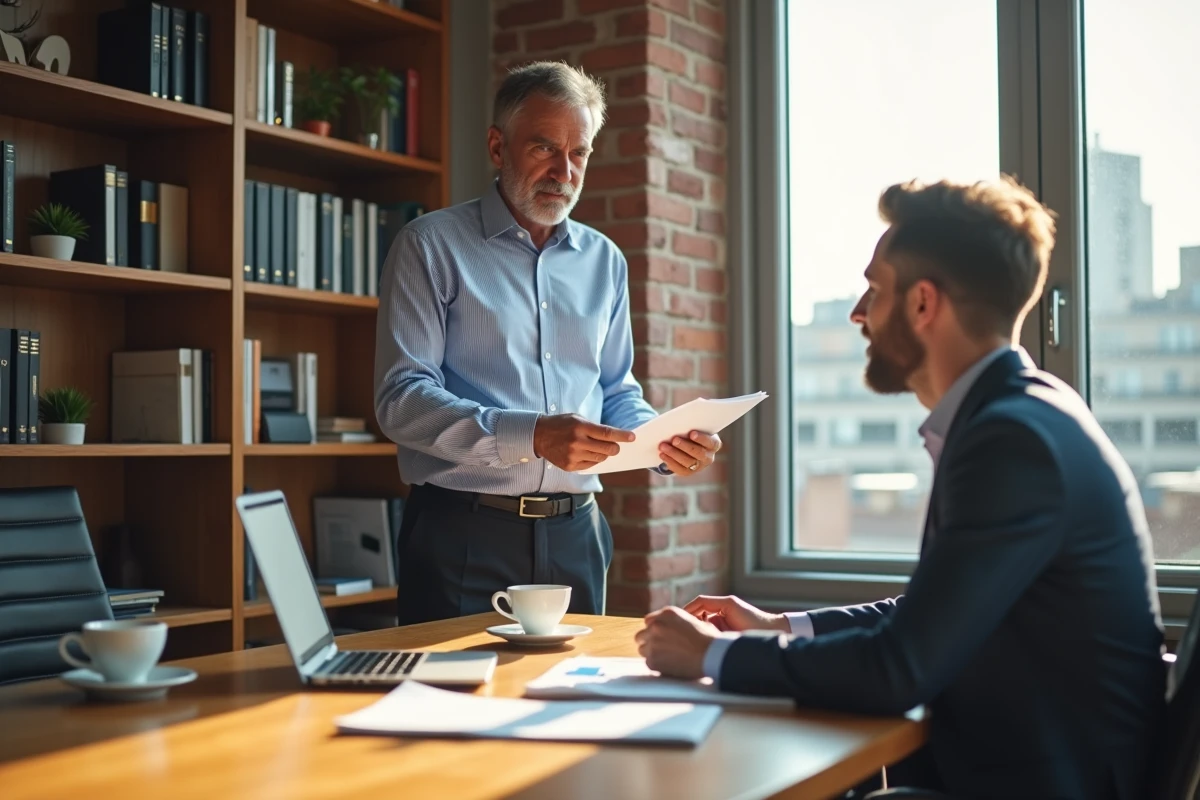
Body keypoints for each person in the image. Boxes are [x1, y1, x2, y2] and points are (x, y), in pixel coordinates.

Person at [635, 176, 1167, 799]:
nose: (858, 313)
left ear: (922, 304)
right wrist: (776, 626)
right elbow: (932, 615)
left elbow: (901, 667)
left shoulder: (1012, 441)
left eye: (875, 289)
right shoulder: (1021, 414)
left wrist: (710, 656)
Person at [374, 60, 720, 626]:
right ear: (497, 146)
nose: (564, 171)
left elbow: (615, 389)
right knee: (452, 686)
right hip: (462, 534)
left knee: (577, 686)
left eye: (579, 152)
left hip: (577, 535)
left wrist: (663, 443)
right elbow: (402, 400)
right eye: (544, 148)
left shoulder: (605, 261)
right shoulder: (429, 245)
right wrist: (533, 434)